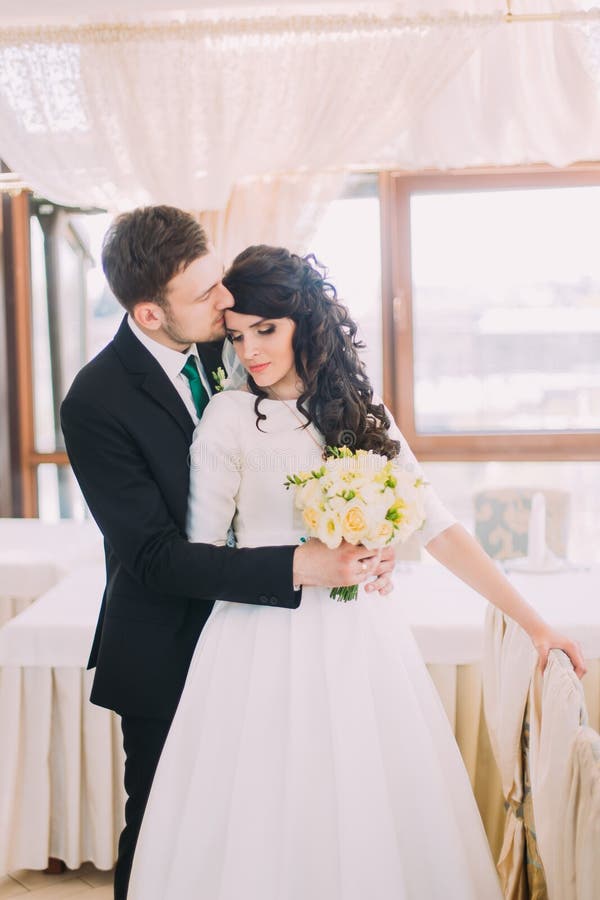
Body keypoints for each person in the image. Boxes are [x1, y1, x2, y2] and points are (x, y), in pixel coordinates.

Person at [128, 245, 585, 899]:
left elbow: (440, 527)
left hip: (357, 636)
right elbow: (198, 559)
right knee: (263, 815)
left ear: (304, 323)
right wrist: (305, 565)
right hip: (253, 644)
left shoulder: (359, 414)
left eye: (267, 329)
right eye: (237, 335)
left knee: (365, 805)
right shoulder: (228, 419)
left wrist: (536, 624)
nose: (251, 350)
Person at [60, 209, 394, 900]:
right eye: (205, 294)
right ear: (150, 314)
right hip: (166, 642)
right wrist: (299, 565)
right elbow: (152, 556)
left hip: (265, 643)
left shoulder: (230, 341)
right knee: (161, 836)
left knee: (262, 832)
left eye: (220, 282)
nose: (226, 304)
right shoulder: (95, 400)